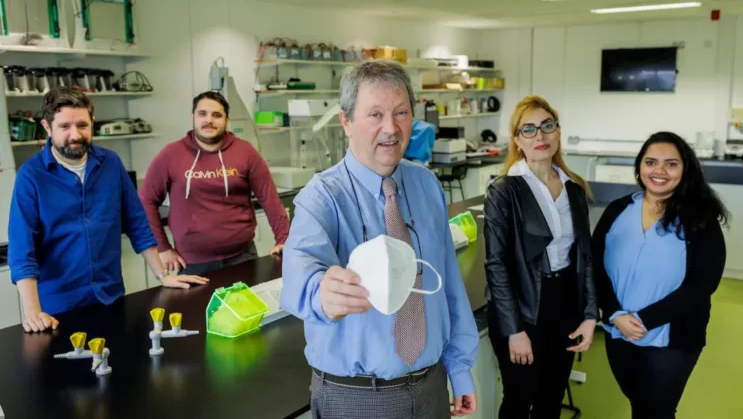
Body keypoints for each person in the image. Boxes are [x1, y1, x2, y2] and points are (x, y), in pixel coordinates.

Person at [280, 60, 479, 419]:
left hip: (432, 386)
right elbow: (299, 273)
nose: (390, 128)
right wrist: (321, 292)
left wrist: (460, 368)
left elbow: (448, 283)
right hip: (357, 397)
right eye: (375, 114)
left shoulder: (426, 185)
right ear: (346, 122)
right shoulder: (322, 197)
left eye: (401, 112)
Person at [8, 87, 208, 333]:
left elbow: (136, 223)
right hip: (58, 308)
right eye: (64, 127)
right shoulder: (31, 176)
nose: (75, 134)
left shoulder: (110, 163)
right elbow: (22, 249)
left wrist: (162, 275)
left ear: (92, 123)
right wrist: (33, 312)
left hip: (110, 297)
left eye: (82, 125)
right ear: (47, 128)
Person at [592, 132, 728, 418]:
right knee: (640, 406)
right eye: (651, 162)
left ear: (685, 170)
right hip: (619, 331)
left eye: (671, 164)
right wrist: (615, 314)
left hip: (671, 338)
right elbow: (594, 264)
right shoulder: (619, 209)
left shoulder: (700, 218)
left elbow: (703, 285)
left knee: (657, 411)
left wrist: (642, 320)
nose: (659, 171)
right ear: (640, 166)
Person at [483, 95, 599, 419]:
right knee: (520, 398)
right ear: (518, 141)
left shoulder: (574, 188)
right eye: (529, 129)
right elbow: (496, 265)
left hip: (563, 302)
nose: (540, 136)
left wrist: (590, 315)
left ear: (558, 132)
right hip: (522, 306)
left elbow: (584, 257)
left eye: (547, 126)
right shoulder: (504, 191)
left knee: (551, 398)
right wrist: (514, 330)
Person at [139, 91, 290, 275]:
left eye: (217, 115)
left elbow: (270, 199)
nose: (209, 120)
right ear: (192, 117)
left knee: (245, 305)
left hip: (242, 258)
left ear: (227, 120)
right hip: (191, 263)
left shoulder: (246, 152)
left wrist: (284, 239)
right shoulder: (170, 155)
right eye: (202, 114)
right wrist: (162, 247)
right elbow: (146, 200)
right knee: (196, 306)